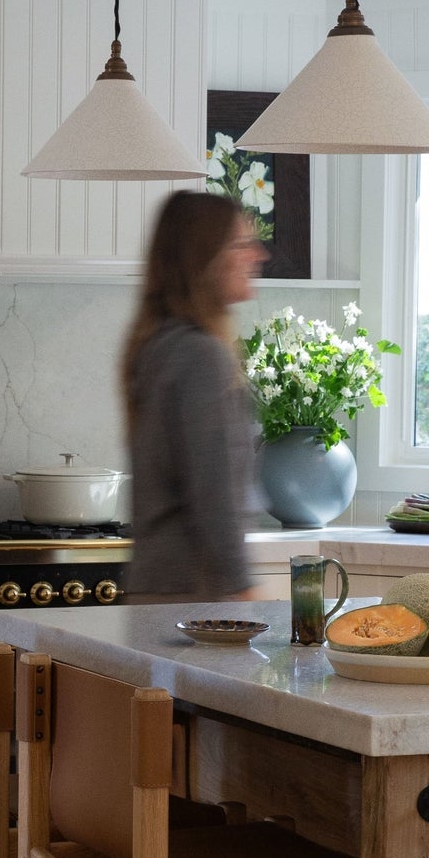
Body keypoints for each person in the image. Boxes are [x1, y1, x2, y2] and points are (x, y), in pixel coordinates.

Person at [120, 190, 268, 601]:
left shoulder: (157, 345)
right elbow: (213, 489)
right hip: (196, 603)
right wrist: (245, 591)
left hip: (159, 592)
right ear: (205, 260)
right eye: (241, 244)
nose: (258, 255)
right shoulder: (200, 354)